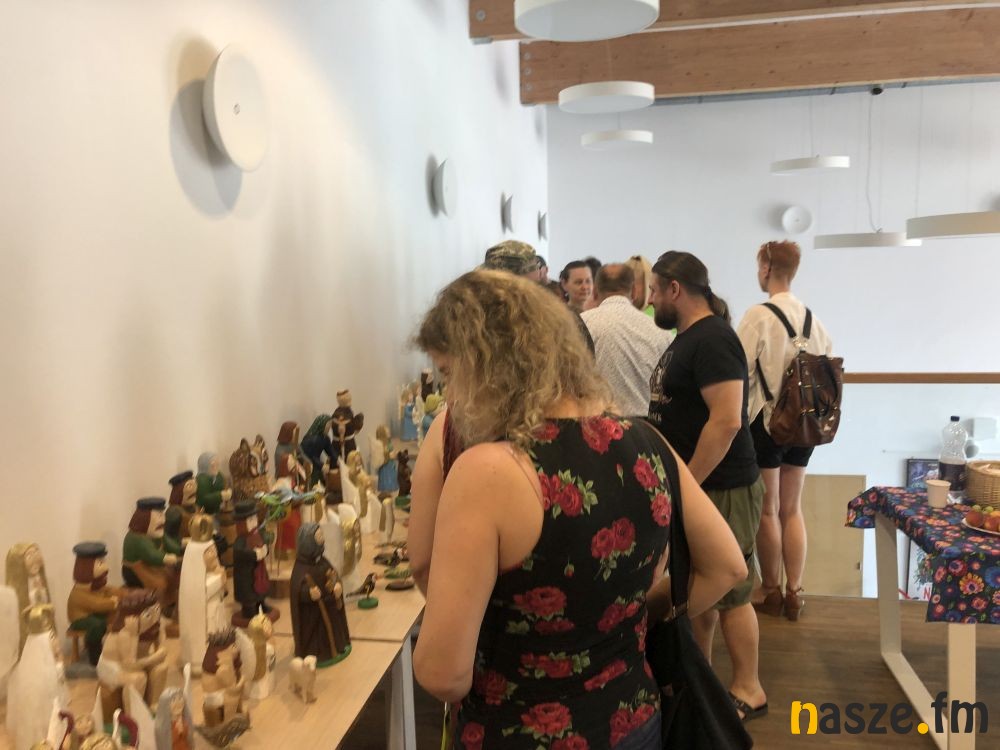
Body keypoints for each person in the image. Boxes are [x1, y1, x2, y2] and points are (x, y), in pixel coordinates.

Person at [411, 270, 747, 749]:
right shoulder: (648, 442)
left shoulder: (488, 471)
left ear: (487, 364)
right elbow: (728, 567)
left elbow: (442, 674)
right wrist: (625, 616)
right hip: (635, 721)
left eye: (449, 374)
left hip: (518, 731)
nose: (450, 397)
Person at [647, 250, 768, 722]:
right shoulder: (689, 338)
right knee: (701, 592)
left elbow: (726, 422)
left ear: (675, 289)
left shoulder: (714, 338)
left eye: (654, 290)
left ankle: (749, 689)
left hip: (723, 486)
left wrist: (688, 486)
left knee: (732, 591)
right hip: (703, 485)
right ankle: (703, 683)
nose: (650, 299)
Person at [737, 240, 833, 621]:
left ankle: (771, 590)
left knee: (768, 509)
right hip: (806, 425)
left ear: (765, 268)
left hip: (767, 424)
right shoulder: (814, 321)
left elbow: (739, 370)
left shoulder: (757, 316)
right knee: (792, 509)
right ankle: (795, 591)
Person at [582, 264, 673, 416]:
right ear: (635, 291)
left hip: (598, 424)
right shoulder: (662, 331)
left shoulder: (581, 324)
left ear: (595, 292)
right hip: (650, 426)